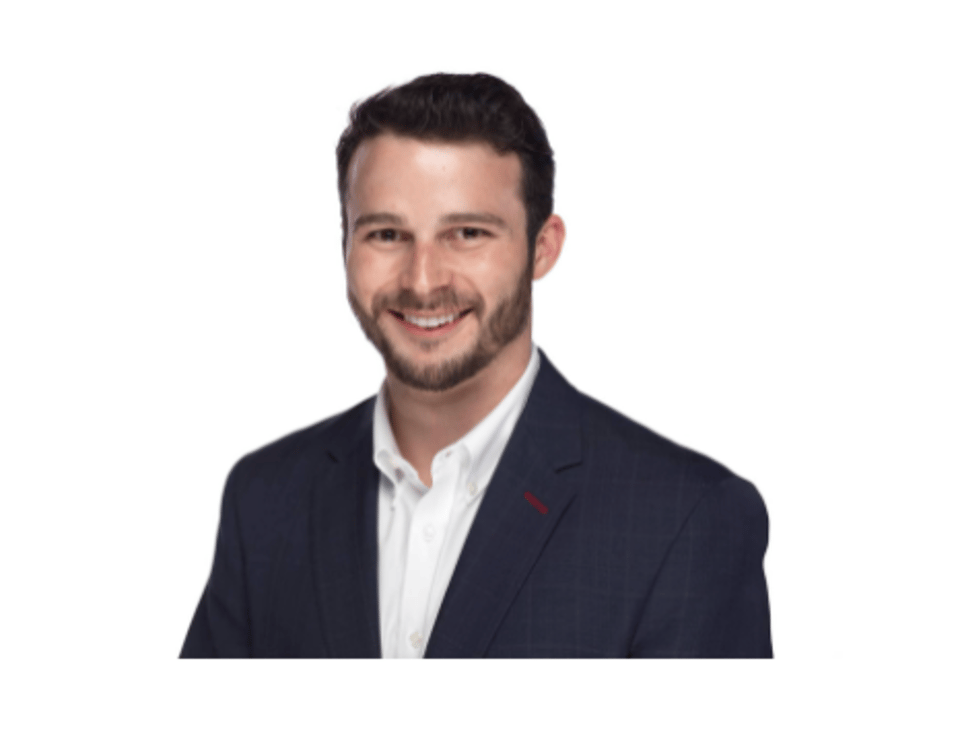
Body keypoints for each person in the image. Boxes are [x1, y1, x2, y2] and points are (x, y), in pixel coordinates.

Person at [180, 72, 773, 658]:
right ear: (345, 245)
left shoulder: (687, 522)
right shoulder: (264, 501)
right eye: (387, 234)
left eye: (466, 233)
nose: (422, 280)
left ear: (543, 247)